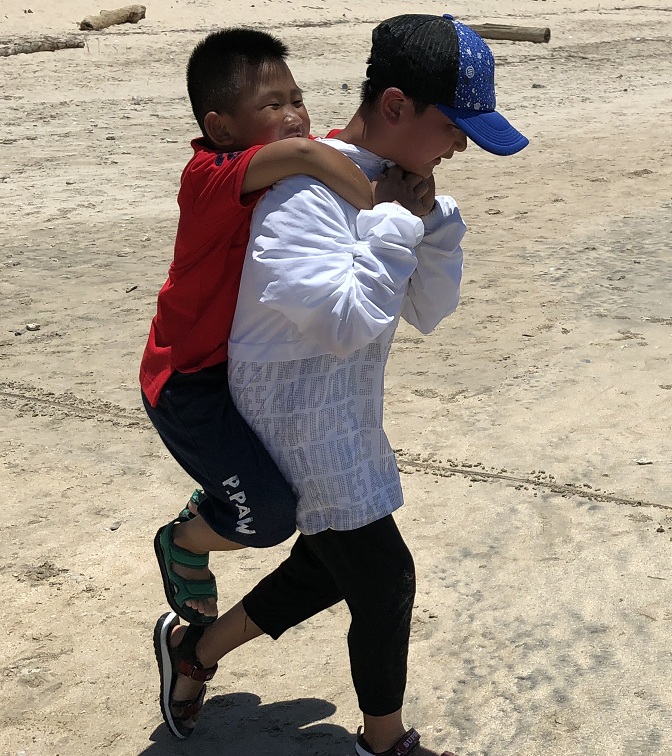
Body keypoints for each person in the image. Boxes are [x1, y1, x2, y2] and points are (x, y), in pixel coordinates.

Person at [152, 14, 529, 755]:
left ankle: (194, 652)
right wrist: (393, 220)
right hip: (291, 416)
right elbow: (342, 323)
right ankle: (385, 743)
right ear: (395, 106)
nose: (460, 146)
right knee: (384, 578)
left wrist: (432, 224)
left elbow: (427, 311)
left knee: (331, 566)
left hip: (343, 411)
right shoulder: (301, 192)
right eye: (453, 127)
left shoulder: (386, 187)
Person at [140, 27, 378, 628]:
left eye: (297, 98)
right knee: (268, 520)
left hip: (239, 367)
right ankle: (184, 539)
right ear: (221, 128)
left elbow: (332, 145)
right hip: (186, 383)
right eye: (273, 105)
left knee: (294, 486)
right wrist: (381, 205)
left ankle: (216, 500)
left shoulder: (270, 160)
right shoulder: (209, 174)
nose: (295, 115)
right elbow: (310, 156)